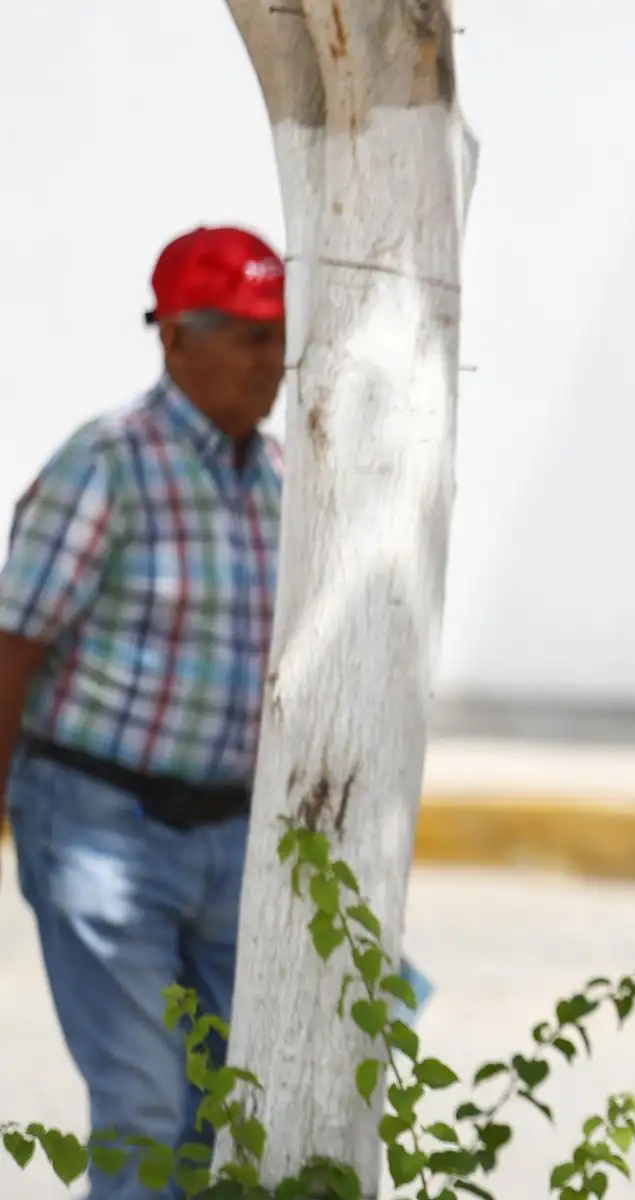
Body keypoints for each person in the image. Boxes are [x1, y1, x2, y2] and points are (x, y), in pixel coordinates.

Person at [0, 225, 286, 1198]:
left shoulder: (287, 478)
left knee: (233, 1105)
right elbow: (14, 643)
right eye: (246, 335)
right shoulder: (107, 464)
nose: (271, 358)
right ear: (175, 339)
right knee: (145, 1107)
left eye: (279, 333)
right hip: (98, 820)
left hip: (230, 835)